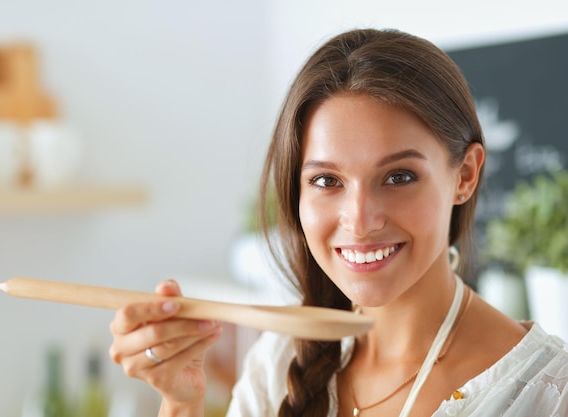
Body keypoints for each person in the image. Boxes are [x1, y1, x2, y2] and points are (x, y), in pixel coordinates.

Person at [108, 28, 568, 417]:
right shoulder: (278, 363)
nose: (361, 220)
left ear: (465, 175)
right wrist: (181, 401)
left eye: (399, 176)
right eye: (327, 180)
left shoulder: (549, 394)